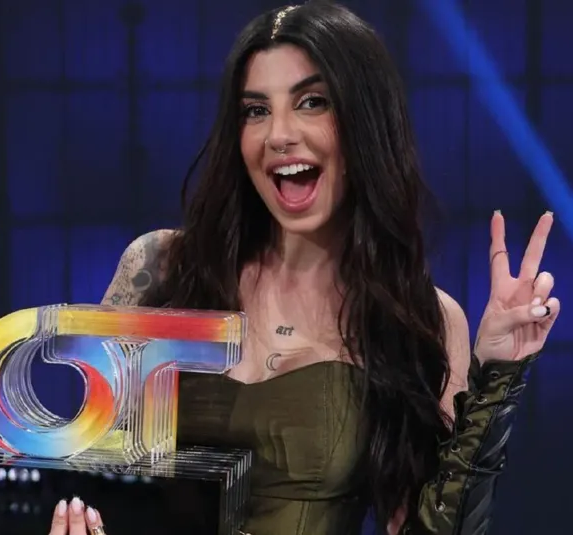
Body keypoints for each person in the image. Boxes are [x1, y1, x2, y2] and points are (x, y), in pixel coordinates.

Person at [48, 2, 559, 534]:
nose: (279, 134)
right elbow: (80, 479)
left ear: (365, 122)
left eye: (312, 102)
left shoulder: (418, 318)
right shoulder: (160, 269)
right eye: (256, 110)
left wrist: (498, 375)